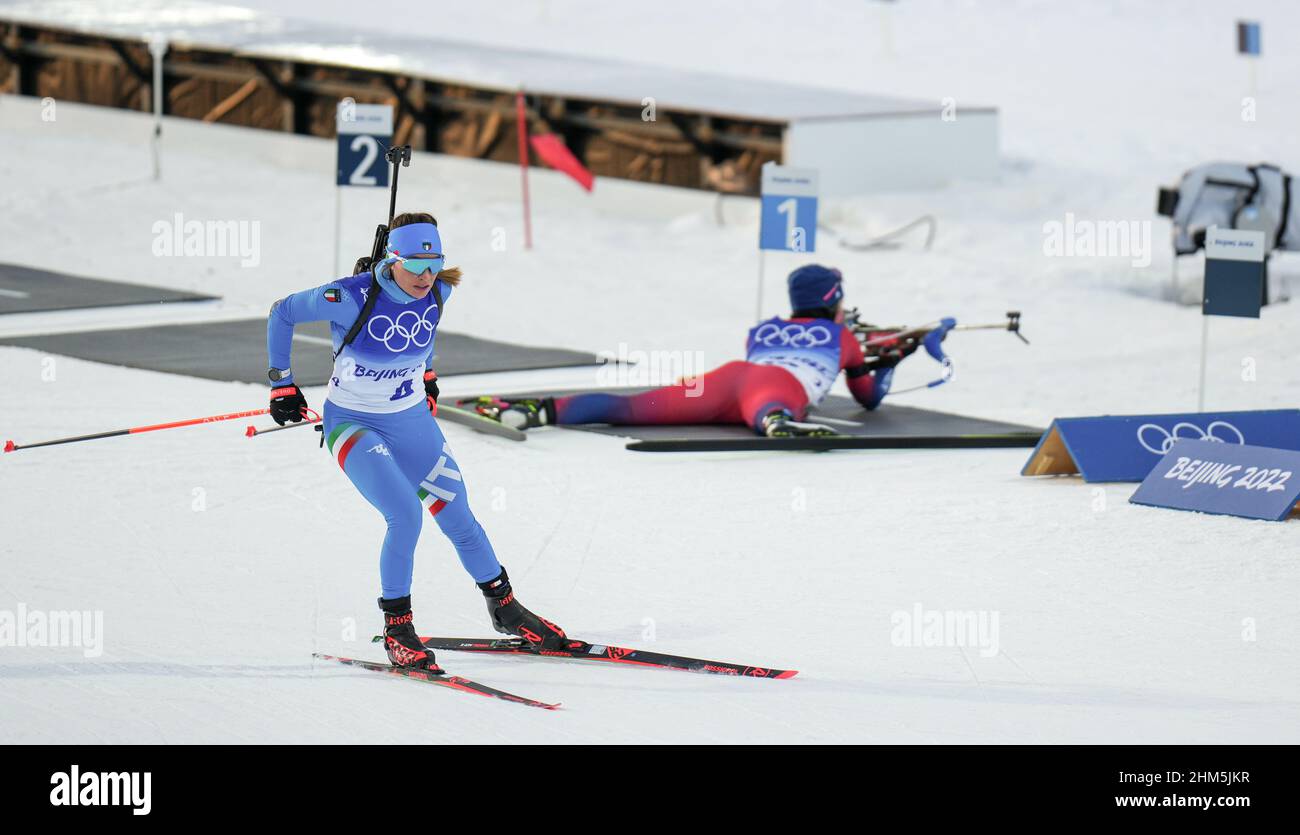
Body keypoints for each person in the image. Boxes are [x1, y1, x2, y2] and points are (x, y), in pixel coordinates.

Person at [265, 212, 566, 671]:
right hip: (354, 424)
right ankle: (398, 630)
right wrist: (281, 384)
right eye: (416, 265)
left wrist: (426, 376)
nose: (427, 276)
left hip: (409, 421)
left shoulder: (440, 291)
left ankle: (505, 608)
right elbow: (282, 312)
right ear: (392, 260)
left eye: (435, 263)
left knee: (458, 514)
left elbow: (422, 336)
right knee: (405, 515)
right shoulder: (348, 296)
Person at [469, 264, 919, 437]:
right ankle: (775, 422)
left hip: (731, 376)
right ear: (835, 298)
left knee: (632, 409)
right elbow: (869, 397)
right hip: (773, 387)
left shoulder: (762, 329)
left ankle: (537, 409)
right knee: (772, 404)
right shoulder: (843, 339)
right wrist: (893, 360)